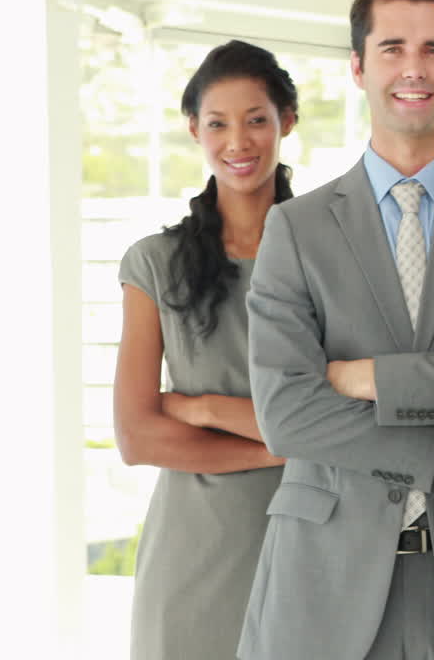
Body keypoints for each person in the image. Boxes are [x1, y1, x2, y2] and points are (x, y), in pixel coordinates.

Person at [238, 0, 434, 660]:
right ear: (358, 68)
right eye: (393, 47)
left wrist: (363, 377)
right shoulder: (295, 229)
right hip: (322, 582)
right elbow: (286, 415)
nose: (414, 67)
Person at [113, 39, 296, 660]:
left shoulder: (329, 259)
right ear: (194, 130)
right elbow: (138, 438)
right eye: (218, 123)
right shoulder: (153, 263)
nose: (238, 142)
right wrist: (286, 447)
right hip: (190, 560)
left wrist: (210, 409)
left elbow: (346, 417)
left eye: (256, 120)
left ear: (286, 123)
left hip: (306, 545)